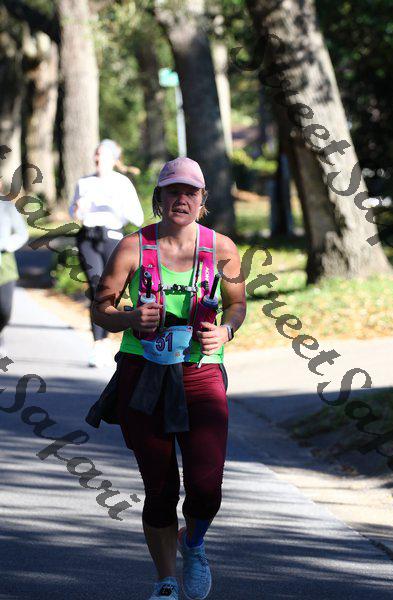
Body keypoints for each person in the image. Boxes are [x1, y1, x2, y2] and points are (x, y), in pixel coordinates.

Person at [87, 157, 246, 600]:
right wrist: (129, 318)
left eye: (190, 192)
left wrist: (226, 330)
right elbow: (101, 307)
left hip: (200, 371)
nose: (181, 199)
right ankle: (165, 581)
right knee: (160, 488)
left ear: (202, 200)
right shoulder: (133, 247)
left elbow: (236, 304)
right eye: (173, 191)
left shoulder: (222, 248)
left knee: (206, 487)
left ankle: (192, 543)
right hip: (144, 375)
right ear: (159, 198)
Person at [69, 139, 144, 368]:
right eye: (96, 154)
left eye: (102, 154)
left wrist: (115, 204)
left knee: (109, 291)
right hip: (88, 238)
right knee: (95, 287)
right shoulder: (85, 182)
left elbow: (138, 218)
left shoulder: (122, 183)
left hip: (112, 238)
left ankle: (106, 340)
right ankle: (97, 344)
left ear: (113, 158)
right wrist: (78, 208)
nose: (97, 158)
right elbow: (74, 213)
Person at [0, 180, 29, 358]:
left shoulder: (7, 207)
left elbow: (22, 233)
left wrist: (6, 245)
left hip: (4, 265)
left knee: (4, 310)